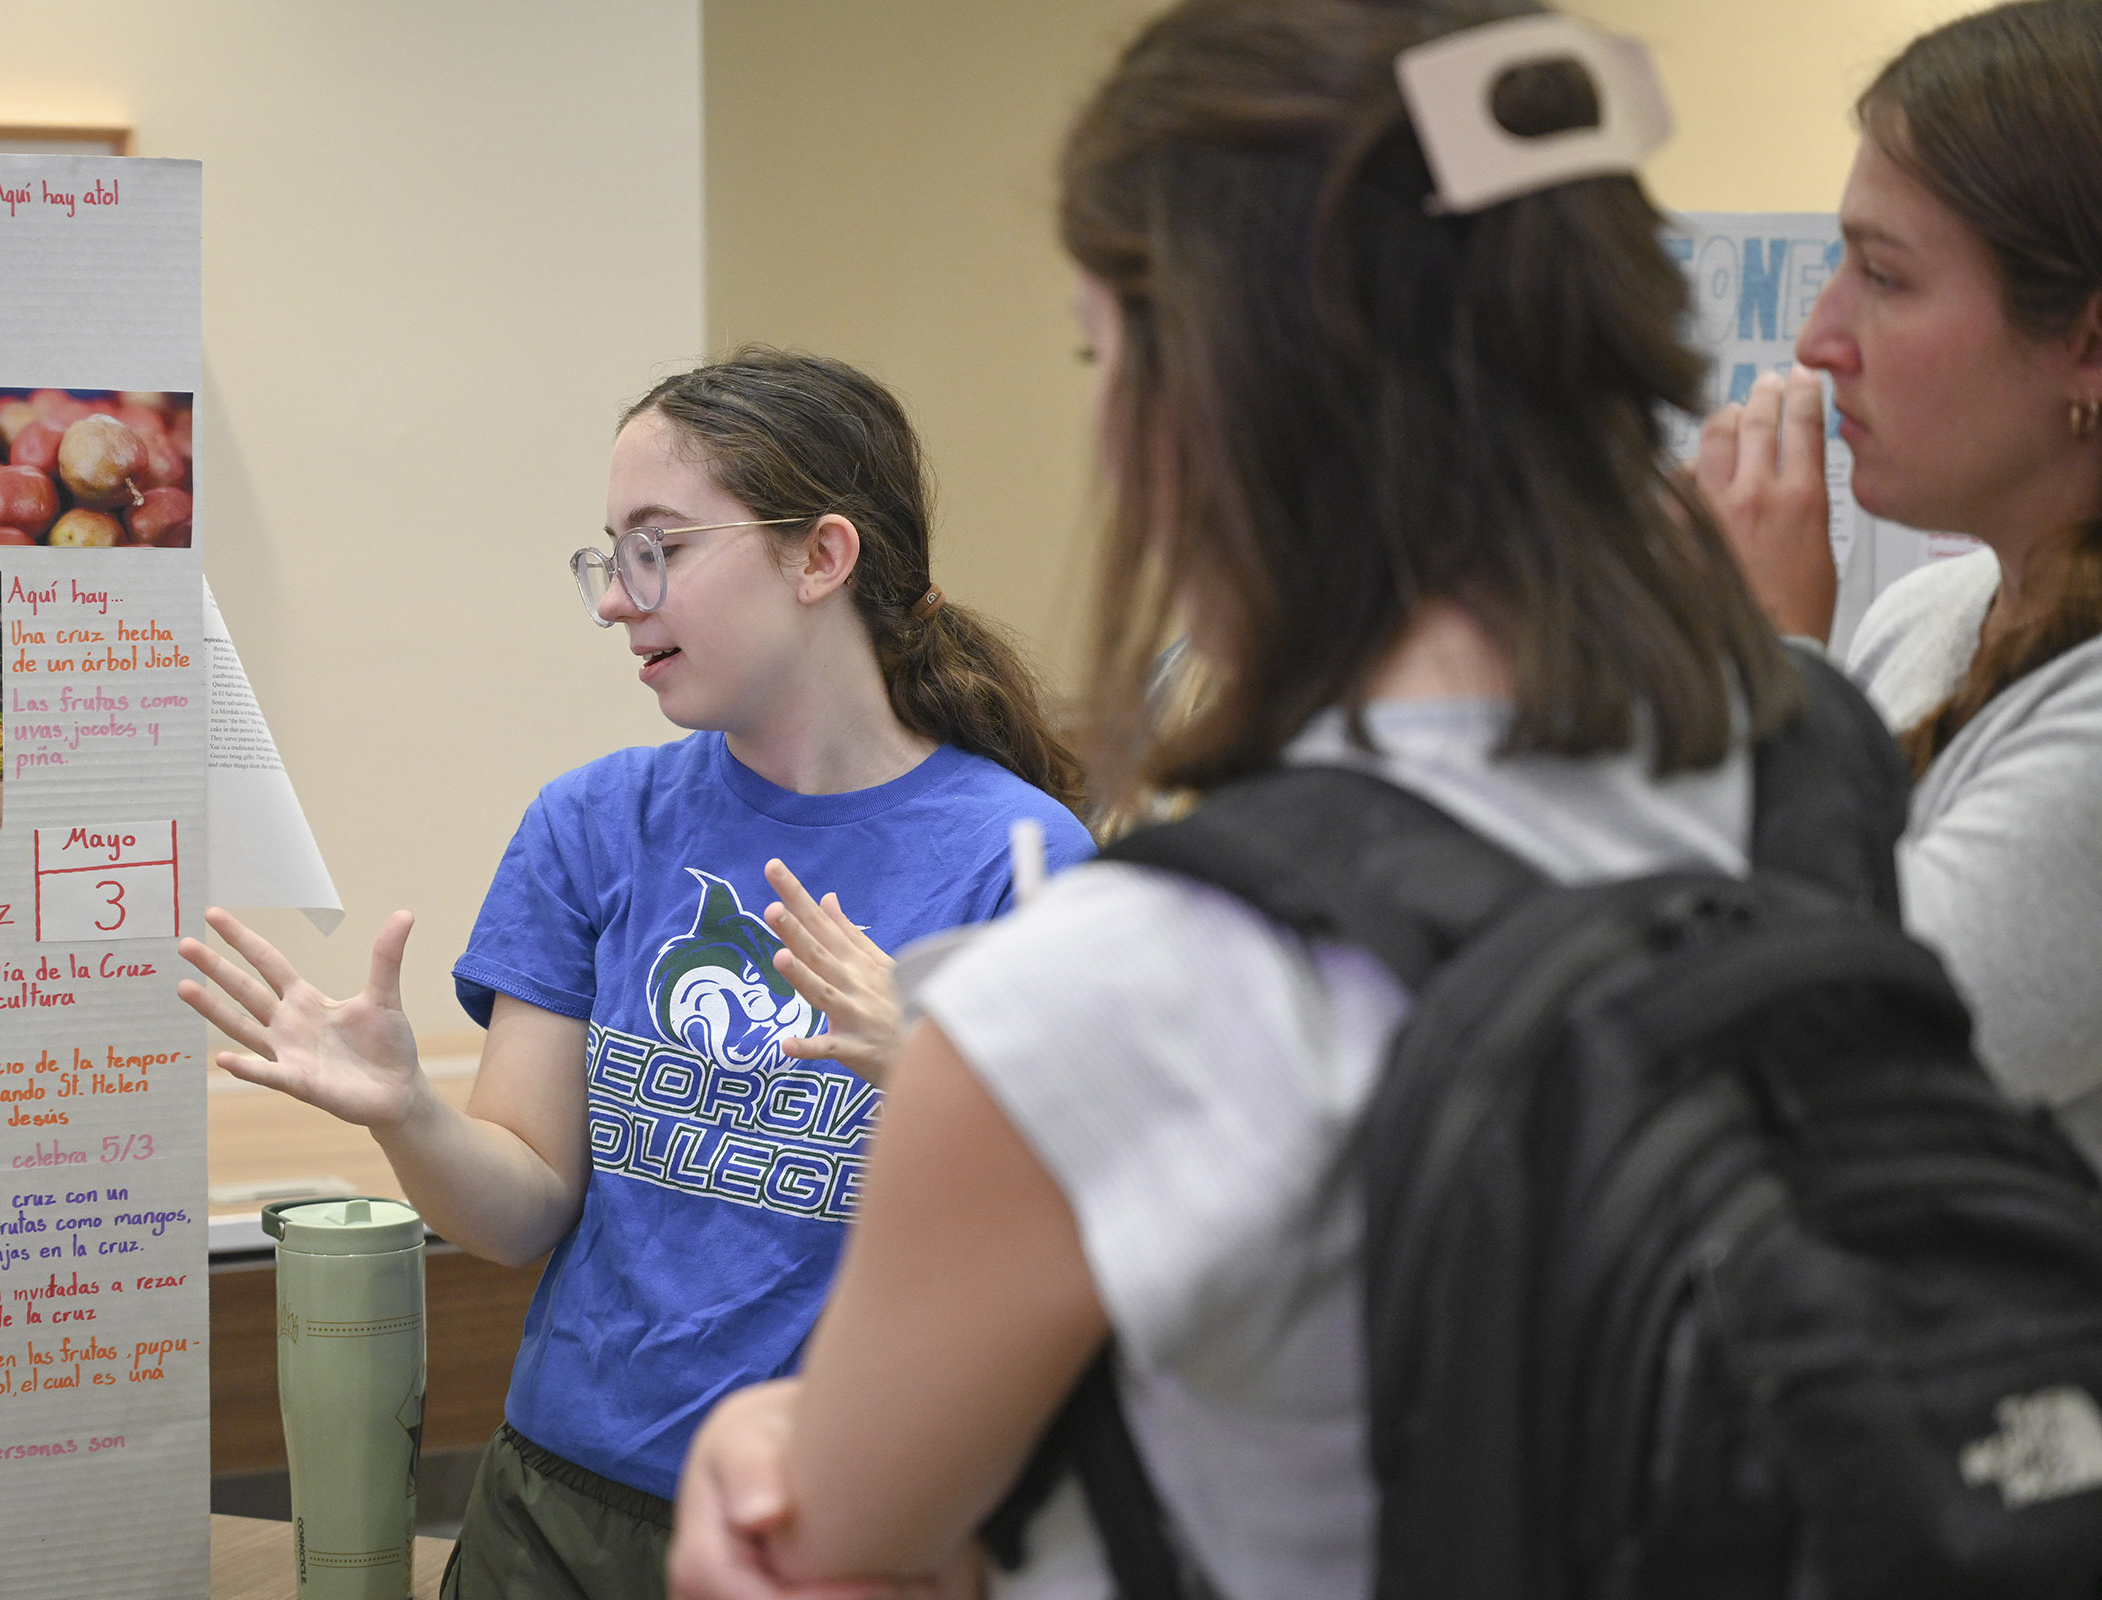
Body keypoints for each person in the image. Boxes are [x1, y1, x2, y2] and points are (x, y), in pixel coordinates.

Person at [664, 2, 1797, 1596]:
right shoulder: (1811, 790)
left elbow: (836, 1554)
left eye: (1099, 351)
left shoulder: (1124, 991)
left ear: (1211, 389)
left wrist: (751, 1462)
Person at [178, 347, 1093, 1600]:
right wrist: (409, 1113)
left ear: (821, 558)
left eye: (660, 547)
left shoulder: (1019, 858)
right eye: (610, 554)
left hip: (828, 1531)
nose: (617, 597)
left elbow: (1073, 1259)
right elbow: (524, 1208)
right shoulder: (594, 824)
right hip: (556, 1509)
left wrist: (940, 1067)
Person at [1694, 0, 2102, 1164]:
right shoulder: (1927, 617)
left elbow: (1820, 1059)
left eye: (1884, 275)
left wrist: (1763, 655)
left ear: (2089, 347)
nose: (1822, 337)